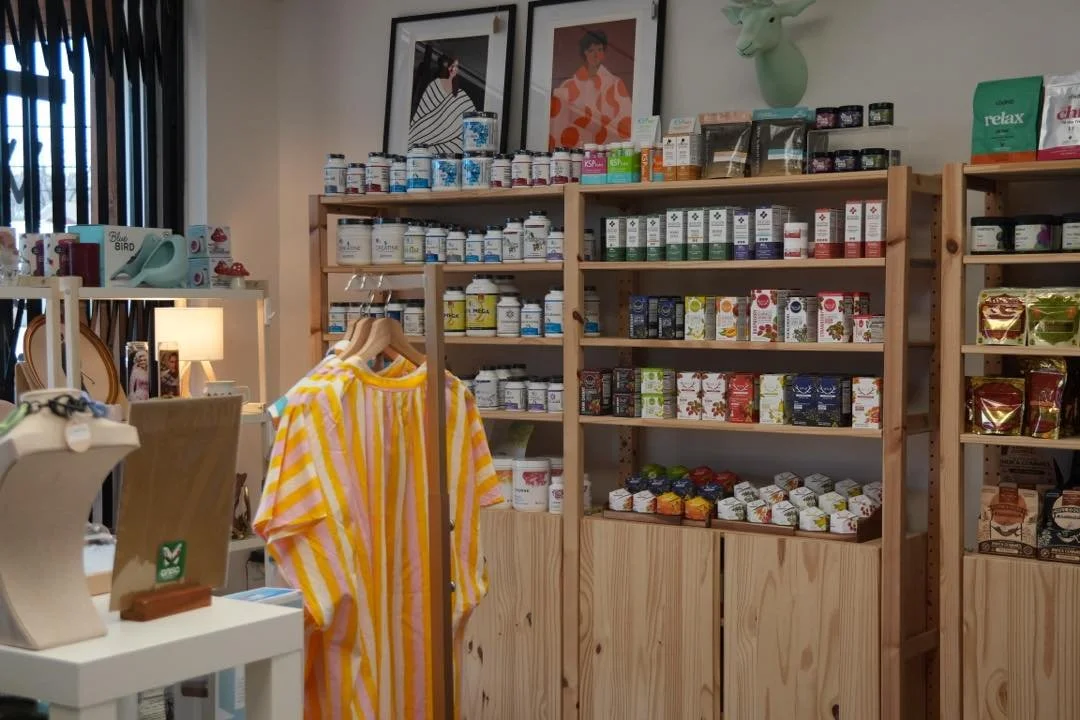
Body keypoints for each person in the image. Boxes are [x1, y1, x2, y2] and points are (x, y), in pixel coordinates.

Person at [548, 29, 633, 150]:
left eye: (599, 49)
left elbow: (626, 125)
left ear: (604, 52)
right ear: (584, 53)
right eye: (591, 50)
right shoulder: (568, 85)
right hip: (574, 153)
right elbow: (558, 126)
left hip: (606, 153)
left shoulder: (615, 83)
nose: (595, 54)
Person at [409, 54, 478, 154]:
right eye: (452, 66)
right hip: (429, 142)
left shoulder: (461, 94)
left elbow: (472, 120)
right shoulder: (434, 86)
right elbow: (423, 113)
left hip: (453, 148)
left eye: (456, 66)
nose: (454, 69)